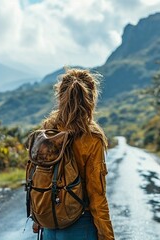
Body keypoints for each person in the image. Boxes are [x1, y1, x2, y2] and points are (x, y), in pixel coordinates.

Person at [34, 68, 115, 240]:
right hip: (80, 224)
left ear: (60, 96)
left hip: (49, 224)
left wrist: (37, 217)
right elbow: (97, 195)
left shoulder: (48, 130)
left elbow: (39, 176)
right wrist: (107, 236)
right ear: (91, 98)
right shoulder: (92, 138)